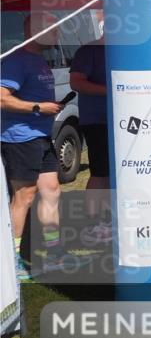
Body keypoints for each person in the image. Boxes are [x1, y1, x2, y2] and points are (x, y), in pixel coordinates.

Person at [1, 15, 82, 277]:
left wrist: (47, 109)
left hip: (42, 135)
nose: (58, 35)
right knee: (23, 196)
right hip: (21, 137)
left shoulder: (38, 60)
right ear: (35, 31)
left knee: (51, 190)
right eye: (53, 30)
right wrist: (38, 107)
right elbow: (2, 98)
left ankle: (55, 254)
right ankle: (12, 263)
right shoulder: (15, 60)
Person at [69, 29, 113, 245]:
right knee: (101, 172)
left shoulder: (127, 50)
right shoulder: (89, 51)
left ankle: (110, 220)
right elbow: (76, 82)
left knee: (117, 173)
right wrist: (112, 90)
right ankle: (95, 223)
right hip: (97, 120)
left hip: (124, 121)